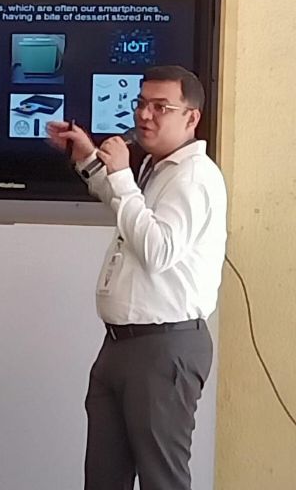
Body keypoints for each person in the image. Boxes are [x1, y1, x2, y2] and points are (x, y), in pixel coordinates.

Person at [46, 65, 227, 490]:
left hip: (163, 349)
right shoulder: (160, 168)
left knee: (162, 480)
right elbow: (131, 213)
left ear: (192, 117)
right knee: (104, 478)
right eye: (141, 103)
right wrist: (90, 160)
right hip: (121, 344)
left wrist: (123, 177)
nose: (145, 115)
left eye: (161, 107)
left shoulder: (194, 177)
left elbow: (158, 250)